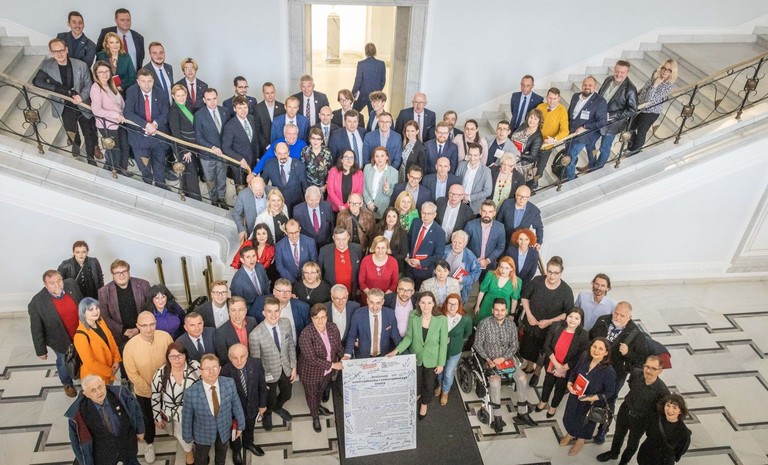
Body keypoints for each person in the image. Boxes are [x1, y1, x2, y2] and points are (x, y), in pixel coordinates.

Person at [590, 302, 649, 444]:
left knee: (609, 400)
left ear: (629, 317)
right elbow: (591, 337)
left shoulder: (636, 335)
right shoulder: (603, 320)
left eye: (622, 315)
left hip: (616, 374)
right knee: (590, 395)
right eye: (616, 313)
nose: (617, 317)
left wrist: (627, 353)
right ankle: (586, 423)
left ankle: (603, 429)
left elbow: (641, 360)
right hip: (595, 367)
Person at [473, 298, 537, 431]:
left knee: (522, 378)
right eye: (496, 310)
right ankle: (497, 417)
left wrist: (503, 358)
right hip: (490, 360)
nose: (499, 313)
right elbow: (477, 345)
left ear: (506, 311)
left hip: (506, 359)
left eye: (502, 310)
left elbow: (514, 345)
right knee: (495, 382)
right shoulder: (484, 324)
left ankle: (522, 412)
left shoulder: (511, 325)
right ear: (492, 310)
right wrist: (488, 359)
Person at [34, 38, 98, 165]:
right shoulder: (47, 65)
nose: (59, 54)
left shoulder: (81, 65)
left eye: (62, 50)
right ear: (51, 52)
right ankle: (76, 142)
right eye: (55, 51)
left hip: (82, 104)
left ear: (67, 50)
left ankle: (90, 158)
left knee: (89, 133)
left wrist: (81, 97)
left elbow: (89, 85)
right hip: (64, 105)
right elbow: (37, 81)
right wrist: (62, 90)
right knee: (71, 129)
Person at [597, 355, 670, 465]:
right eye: (647, 366)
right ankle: (613, 453)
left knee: (632, 442)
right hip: (625, 410)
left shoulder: (662, 391)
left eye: (653, 369)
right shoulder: (636, 373)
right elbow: (631, 385)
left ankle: (623, 462)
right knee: (618, 434)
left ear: (660, 371)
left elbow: (658, 411)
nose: (648, 371)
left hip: (641, 419)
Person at [122, 311, 173, 463]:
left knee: (168, 408)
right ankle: (149, 443)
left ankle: (167, 423)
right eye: (144, 325)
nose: (149, 329)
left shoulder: (165, 337)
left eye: (152, 324)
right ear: (137, 326)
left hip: (166, 388)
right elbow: (133, 375)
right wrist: (152, 392)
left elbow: (173, 360)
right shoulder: (130, 347)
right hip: (145, 393)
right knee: (147, 419)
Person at [388, 291, 447, 420]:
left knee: (429, 385)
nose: (426, 306)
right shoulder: (414, 316)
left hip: (432, 358)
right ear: (418, 304)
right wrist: (396, 351)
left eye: (429, 303)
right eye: (423, 302)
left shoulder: (441, 319)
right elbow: (409, 337)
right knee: (416, 380)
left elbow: (443, 343)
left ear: (434, 304)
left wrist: (441, 363)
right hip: (416, 356)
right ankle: (417, 394)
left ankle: (424, 404)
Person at [519, 256, 574, 387]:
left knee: (543, 351)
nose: (552, 275)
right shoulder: (537, 281)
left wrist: (549, 322)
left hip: (550, 328)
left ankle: (537, 373)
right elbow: (525, 297)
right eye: (549, 272)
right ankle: (529, 366)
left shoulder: (566, 291)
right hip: (532, 323)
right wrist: (529, 314)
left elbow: (567, 313)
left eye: (556, 273)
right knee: (529, 347)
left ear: (561, 273)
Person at [66, 374, 145, 465]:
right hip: (103, 454)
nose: (99, 392)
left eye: (100, 387)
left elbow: (136, 409)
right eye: (93, 390)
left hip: (127, 444)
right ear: (86, 394)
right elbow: (76, 442)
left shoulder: (121, 394)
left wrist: (140, 430)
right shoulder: (78, 413)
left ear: (104, 384)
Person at [182, 354, 246, 465]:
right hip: (202, 434)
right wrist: (187, 437)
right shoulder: (190, 393)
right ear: (201, 371)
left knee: (221, 456)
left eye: (214, 367)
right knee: (201, 458)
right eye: (207, 368)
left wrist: (241, 425)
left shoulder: (229, 383)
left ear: (220, 369)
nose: (211, 371)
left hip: (224, 429)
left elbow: (236, 404)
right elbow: (187, 417)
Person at [28, 270, 82, 397]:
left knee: (81, 356)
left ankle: (81, 374)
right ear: (45, 285)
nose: (57, 285)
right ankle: (67, 383)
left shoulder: (72, 284)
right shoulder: (37, 302)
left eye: (59, 281)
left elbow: (82, 304)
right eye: (52, 283)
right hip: (59, 339)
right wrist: (41, 351)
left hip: (80, 334)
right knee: (63, 362)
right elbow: (36, 328)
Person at [560, 337, 617, 456]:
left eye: (600, 349)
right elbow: (574, 371)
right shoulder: (584, 356)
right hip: (576, 396)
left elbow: (610, 392)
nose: (596, 350)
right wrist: (570, 383)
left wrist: (592, 398)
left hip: (591, 402)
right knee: (571, 416)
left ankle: (580, 440)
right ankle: (570, 434)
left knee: (584, 423)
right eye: (594, 347)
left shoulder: (608, 371)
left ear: (606, 353)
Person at [248, 297, 297, 431]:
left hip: (286, 368)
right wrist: (261, 381)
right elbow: (256, 362)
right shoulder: (255, 335)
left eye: (276, 311)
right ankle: (268, 413)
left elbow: (290, 345)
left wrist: (294, 366)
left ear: (280, 311)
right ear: (264, 313)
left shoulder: (286, 323)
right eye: (269, 311)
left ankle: (278, 408)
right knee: (269, 400)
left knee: (287, 394)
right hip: (268, 373)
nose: (273, 314)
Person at [98, 259, 150, 382]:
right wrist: (123, 330)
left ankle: (144, 378)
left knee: (144, 357)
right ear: (112, 274)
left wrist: (139, 329)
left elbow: (150, 308)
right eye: (117, 273)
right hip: (120, 334)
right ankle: (125, 379)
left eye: (124, 271)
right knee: (124, 360)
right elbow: (104, 317)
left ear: (129, 271)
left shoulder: (143, 285)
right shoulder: (104, 292)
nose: (121, 275)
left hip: (142, 329)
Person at [150, 342, 200, 465]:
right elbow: (155, 396)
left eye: (180, 355)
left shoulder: (195, 367)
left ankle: (197, 447)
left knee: (197, 433)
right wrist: (157, 417)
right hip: (174, 414)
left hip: (196, 411)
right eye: (173, 356)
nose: (177, 359)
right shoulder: (161, 373)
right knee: (183, 437)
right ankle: (189, 453)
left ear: (185, 355)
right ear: (168, 358)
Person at [535, 307, 590, 419]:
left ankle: (553, 406)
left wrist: (564, 368)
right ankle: (543, 401)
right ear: (566, 317)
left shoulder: (583, 335)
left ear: (581, 321)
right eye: (570, 316)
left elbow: (580, 355)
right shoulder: (556, 326)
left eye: (576, 318)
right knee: (548, 382)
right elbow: (547, 345)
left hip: (568, 367)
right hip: (552, 362)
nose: (572, 320)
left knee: (560, 387)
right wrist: (556, 364)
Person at [299, 304, 344, 432]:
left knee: (320, 391)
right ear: (312, 318)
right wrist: (333, 365)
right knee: (312, 395)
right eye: (317, 318)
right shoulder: (306, 334)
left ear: (327, 317)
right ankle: (315, 416)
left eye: (323, 317)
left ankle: (317, 406)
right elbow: (311, 359)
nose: (320, 321)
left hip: (327, 372)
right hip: (311, 373)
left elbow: (338, 346)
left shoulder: (333, 328)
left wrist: (344, 357)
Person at [587, 60, 637, 172]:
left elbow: (632, 110)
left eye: (622, 72)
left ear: (627, 73)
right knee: (589, 142)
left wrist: (611, 115)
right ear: (614, 70)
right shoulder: (608, 79)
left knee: (604, 148)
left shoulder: (630, 89)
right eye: (617, 71)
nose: (618, 74)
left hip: (612, 124)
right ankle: (592, 165)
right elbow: (600, 95)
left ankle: (597, 170)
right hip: (598, 118)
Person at [220, 344, 267, 462]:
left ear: (247, 355)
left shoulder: (256, 364)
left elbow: (262, 385)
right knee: (234, 432)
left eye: (242, 356)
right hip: (234, 412)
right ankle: (236, 450)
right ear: (230, 358)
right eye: (235, 358)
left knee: (250, 427)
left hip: (252, 406)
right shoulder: (225, 371)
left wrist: (262, 404)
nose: (239, 361)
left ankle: (248, 443)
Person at [124, 68, 170, 187]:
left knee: (160, 167)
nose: (146, 84)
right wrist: (146, 125)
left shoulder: (160, 92)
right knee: (144, 168)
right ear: (138, 81)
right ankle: (148, 185)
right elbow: (128, 113)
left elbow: (165, 113)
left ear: (153, 81)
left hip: (158, 137)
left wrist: (155, 124)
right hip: (139, 138)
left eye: (149, 81)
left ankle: (161, 187)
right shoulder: (132, 91)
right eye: (143, 81)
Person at [90, 60, 131, 175]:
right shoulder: (96, 88)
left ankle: (122, 172)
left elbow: (120, 104)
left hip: (120, 123)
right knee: (114, 152)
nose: (104, 74)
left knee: (125, 148)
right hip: (107, 125)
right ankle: (112, 174)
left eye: (107, 71)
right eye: (101, 72)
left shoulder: (111, 85)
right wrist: (116, 115)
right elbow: (96, 110)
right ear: (96, 74)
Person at [629, 59, 678, 154]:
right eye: (664, 68)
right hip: (640, 106)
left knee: (641, 132)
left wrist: (655, 85)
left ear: (672, 73)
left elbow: (649, 100)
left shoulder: (667, 86)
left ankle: (635, 152)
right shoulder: (655, 74)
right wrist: (637, 93)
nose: (665, 71)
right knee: (630, 127)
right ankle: (631, 148)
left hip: (651, 112)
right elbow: (645, 88)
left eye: (669, 70)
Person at [194, 88, 231, 209]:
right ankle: (213, 200)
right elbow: (199, 137)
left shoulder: (225, 111)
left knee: (222, 178)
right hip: (207, 155)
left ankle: (222, 198)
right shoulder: (199, 115)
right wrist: (212, 147)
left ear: (217, 97)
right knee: (210, 180)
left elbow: (229, 133)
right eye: (209, 99)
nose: (212, 102)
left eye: (214, 98)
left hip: (222, 154)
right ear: (204, 100)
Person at [565, 76, 608, 180]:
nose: (587, 87)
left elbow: (602, 122)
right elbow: (570, 113)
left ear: (595, 87)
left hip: (583, 135)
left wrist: (585, 127)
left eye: (590, 85)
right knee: (568, 153)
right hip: (569, 132)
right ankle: (588, 166)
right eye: (585, 85)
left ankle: (570, 178)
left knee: (570, 157)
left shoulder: (600, 101)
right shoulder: (575, 96)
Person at [435, 294, 472, 405]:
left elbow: (467, 333)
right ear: (446, 304)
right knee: (439, 370)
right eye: (450, 303)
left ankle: (445, 391)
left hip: (455, 350)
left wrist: (455, 340)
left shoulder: (465, 319)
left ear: (459, 305)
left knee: (448, 372)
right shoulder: (439, 315)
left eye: (455, 304)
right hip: (440, 350)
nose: (452, 306)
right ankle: (439, 385)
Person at [74, 297, 121, 384]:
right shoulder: (80, 335)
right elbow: (89, 362)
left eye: (96, 308)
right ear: (83, 312)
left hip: (109, 369)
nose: (95, 312)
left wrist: (116, 359)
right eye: (91, 309)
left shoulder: (100, 321)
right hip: (94, 377)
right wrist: (109, 371)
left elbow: (111, 340)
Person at [167, 84, 202, 201]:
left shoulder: (187, 105)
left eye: (183, 95)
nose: (181, 98)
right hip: (183, 148)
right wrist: (185, 150)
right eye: (178, 96)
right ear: (173, 96)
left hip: (193, 145)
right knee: (191, 173)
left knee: (191, 171)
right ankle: (196, 200)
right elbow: (176, 133)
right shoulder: (173, 111)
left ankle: (186, 195)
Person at [344, 288, 401, 358]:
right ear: (367, 300)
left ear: (383, 302)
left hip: (384, 355)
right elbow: (352, 336)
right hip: (363, 356)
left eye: (378, 303)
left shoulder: (390, 314)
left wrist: (404, 353)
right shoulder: (358, 314)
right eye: (371, 302)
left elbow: (396, 337)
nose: (374, 307)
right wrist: (347, 355)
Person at [636, 394, 691, 465]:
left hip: (664, 461)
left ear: (680, 411)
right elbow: (649, 433)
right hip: (646, 456)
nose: (670, 410)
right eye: (668, 405)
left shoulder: (684, 432)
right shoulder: (655, 418)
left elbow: (680, 450)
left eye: (674, 407)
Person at [533, 87, 569, 188]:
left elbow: (565, 131)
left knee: (540, 167)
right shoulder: (540, 106)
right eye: (550, 98)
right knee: (530, 164)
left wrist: (554, 140)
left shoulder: (562, 111)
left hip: (547, 145)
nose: (551, 101)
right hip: (535, 142)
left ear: (559, 98)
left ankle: (534, 184)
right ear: (546, 97)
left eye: (554, 98)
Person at [405, 202, 446, 288]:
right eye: (423, 213)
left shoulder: (440, 232)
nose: (426, 216)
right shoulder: (416, 222)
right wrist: (407, 257)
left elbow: (438, 255)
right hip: (409, 267)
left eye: (429, 214)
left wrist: (420, 263)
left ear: (434, 215)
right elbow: (408, 241)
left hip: (424, 272)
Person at [221, 95, 260, 186]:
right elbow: (226, 148)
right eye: (240, 108)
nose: (243, 111)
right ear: (234, 109)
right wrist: (240, 159)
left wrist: (257, 157)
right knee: (241, 188)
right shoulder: (229, 126)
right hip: (239, 165)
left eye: (245, 107)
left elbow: (255, 140)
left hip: (253, 162)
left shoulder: (252, 119)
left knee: (254, 187)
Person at [261, 141, 310, 211]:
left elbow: (305, 187)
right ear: (275, 153)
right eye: (279, 154)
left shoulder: (299, 165)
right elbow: (263, 184)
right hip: (277, 206)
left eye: (285, 153)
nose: (283, 156)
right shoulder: (269, 165)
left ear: (289, 152)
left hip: (296, 205)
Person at [317, 227, 364, 298]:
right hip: (331, 293)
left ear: (348, 237)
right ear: (333, 238)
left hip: (353, 293)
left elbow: (362, 270)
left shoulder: (357, 249)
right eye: (338, 239)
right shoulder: (324, 251)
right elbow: (319, 272)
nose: (341, 242)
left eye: (344, 239)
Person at [465, 200, 507, 277]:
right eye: (484, 211)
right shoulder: (470, 225)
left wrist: (487, 260)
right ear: (480, 212)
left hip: (489, 265)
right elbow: (464, 245)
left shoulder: (500, 227)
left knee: (485, 284)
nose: (487, 214)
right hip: (471, 263)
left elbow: (500, 247)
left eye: (490, 212)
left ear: (494, 213)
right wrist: (473, 259)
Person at [474, 256, 521, 323]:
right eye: (501, 267)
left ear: (511, 268)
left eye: (506, 268)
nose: (503, 270)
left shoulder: (517, 281)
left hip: (502, 311)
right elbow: (482, 291)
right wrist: (477, 306)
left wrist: (512, 314)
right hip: (487, 306)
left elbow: (514, 299)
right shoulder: (490, 275)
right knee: (482, 325)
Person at [214, 297, 257, 364]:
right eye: (233, 310)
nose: (237, 313)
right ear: (229, 312)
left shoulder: (252, 322)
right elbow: (224, 359)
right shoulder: (220, 333)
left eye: (241, 310)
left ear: (246, 311)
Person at [274, 219, 318, 283]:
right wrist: (294, 282)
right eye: (291, 233)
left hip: (307, 280)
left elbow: (314, 262)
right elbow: (280, 267)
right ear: (285, 231)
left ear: (300, 229)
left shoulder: (310, 242)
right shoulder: (279, 246)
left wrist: (306, 278)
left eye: (296, 232)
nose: (294, 236)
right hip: (289, 282)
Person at [443, 230, 482, 303]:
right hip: (442, 287)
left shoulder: (470, 256)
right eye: (454, 242)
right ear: (451, 241)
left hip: (459, 290)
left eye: (460, 243)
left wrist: (463, 279)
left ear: (465, 244)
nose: (456, 245)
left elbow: (477, 272)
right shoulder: (444, 250)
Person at [359, 236, 399, 305]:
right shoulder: (365, 260)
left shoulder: (393, 262)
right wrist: (372, 297)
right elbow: (361, 281)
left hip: (386, 299)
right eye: (378, 247)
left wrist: (383, 297)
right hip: (368, 299)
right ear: (374, 248)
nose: (380, 250)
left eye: (383, 248)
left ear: (387, 249)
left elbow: (394, 282)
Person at [229, 246, 270, 315]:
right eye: (248, 257)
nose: (252, 260)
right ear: (242, 260)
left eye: (254, 256)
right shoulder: (237, 281)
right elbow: (238, 305)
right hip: (251, 313)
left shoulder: (259, 267)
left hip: (266, 306)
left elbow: (266, 285)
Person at [456, 142, 493, 214]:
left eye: (475, 155)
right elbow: (456, 182)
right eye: (470, 155)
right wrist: (461, 195)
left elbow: (488, 191)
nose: (472, 158)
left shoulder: (486, 171)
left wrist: (469, 197)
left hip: (475, 206)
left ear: (480, 155)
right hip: (459, 201)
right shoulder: (461, 165)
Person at [369, 207, 410, 271]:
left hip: (393, 266)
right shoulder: (377, 229)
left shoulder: (402, 233)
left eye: (394, 216)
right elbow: (371, 246)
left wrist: (387, 257)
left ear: (397, 218)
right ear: (385, 217)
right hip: (376, 264)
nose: (391, 219)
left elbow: (403, 254)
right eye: (389, 216)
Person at [363, 146, 399, 219]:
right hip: (366, 208)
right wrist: (368, 202)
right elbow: (363, 186)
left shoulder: (394, 172)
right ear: (374, 158)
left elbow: (393, 193)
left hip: (382, 210)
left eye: (382, 156)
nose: (380, 159)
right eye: (377, 156)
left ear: (387, 157)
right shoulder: (367, 168)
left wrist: (387, 190)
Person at [511, 109, 544, 186]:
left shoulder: (538, 137)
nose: (532, 120)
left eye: (535, 119)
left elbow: (532, 157)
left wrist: (520, 154)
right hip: (512, 152)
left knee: (508, 168)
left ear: (539, 122)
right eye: (531, 117)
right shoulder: (524, 125)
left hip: (523, 161)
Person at [233, 176, 270, 243]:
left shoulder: (273, 190)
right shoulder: (243, 195)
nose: (259, 192)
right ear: (250, 187)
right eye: (255, 190)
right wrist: (242, 229)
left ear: (264, 185)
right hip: (253, 232)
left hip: (271, 231)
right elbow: (236, 214)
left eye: (260, 189)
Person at [352, 42, 386, 112]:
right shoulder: (381, 64)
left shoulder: (361, 64)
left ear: (365, 52)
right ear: (375, 51)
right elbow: (383, 81)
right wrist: (378, 91)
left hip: (362, 94)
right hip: (375, 95)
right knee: (374, 114)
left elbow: (358, 81)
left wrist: (353, 92)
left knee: (354, 113)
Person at [301, 127, 334, 192]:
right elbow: (302, 171)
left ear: (322, 140)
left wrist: (326, 186)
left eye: (318, 139)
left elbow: (330, 170)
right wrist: (307, 187)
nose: (315, 141)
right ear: (310, 139)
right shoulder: (304, 151)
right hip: (308, 188)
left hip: (323, 187)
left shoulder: (327, 152)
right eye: (313, 138)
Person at [254, 81, 286, 147]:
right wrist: (266, 145)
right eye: (267, 93)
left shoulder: (282, 107)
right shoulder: (257, 108)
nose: (270, 96)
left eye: (272, 93)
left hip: (280, 144)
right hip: (264, 147)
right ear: (263, 93)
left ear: (275, 92)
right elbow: (257, 130)